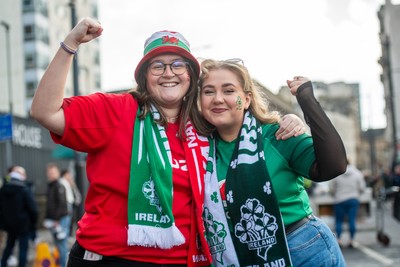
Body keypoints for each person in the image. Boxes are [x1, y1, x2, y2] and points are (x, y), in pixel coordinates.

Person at [30, 18, 305, 266]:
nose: (168, 73)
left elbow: (246, 126)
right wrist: (70, 44)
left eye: (178, 65)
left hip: (189, 259)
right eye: (157, 65)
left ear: (191, 76)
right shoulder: (115, 109)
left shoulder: (204, 125)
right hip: (113, 257)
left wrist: (292, 120)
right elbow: (46, 111)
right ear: (144, 77)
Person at [198, 58, 347, 266]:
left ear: (247, 99)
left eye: (229, 91)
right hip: (240, 257)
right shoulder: (198, 149)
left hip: (302, 250)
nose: (218, 99)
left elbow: (334, 166)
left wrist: (307, 102)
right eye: (208, 91)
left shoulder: (278, 135)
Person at [0, 166, 38, 267]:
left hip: (9, 225)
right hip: (23, 225)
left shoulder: (3, 189)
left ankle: (3, 264)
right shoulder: (24, 189)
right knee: (23, 250)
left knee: (9, 246)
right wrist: (33, 223)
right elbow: (33, 209)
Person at [330, 160, 366, 248]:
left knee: (339, 221)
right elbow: (362, 188)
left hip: (339, 200)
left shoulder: (336, 173)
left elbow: (332, 189)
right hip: (353, 199)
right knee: (352, 220)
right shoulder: (357, 173)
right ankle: (352, 240)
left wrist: (335, 194)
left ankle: (339, 240)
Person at [44, 162, 70, 267]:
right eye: (49, 172)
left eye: (53, 172)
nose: (51, 174)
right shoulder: (50, 185)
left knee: (62, 245)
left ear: (58, 173)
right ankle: (61, 264)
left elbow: (62, 204)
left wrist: (56, 219)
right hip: (53, 220)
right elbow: (49, 204)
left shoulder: (59, 185)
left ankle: (63, 265)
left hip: (61, 219)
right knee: (57, 245)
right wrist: (47, 218)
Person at [60, 169, 82, 237]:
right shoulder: (62, 182)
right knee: (67, 220)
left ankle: (68, 234)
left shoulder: (69, 182)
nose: (69, 176)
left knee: (70, 220)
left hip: (71, 203)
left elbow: (75, 192)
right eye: (68, 174)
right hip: (67, 204)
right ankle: (67, 235)